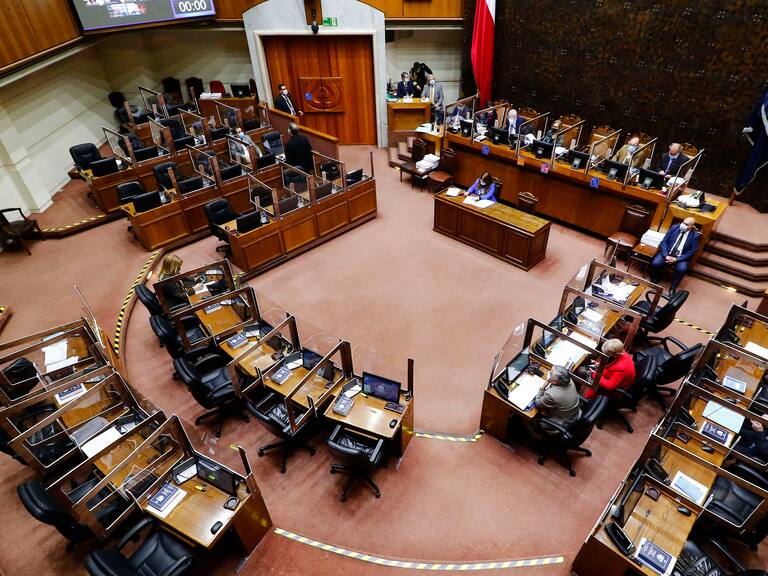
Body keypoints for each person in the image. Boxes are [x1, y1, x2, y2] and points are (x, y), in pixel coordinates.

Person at [649, 217, 700, 293]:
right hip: (668, 252)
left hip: (680, 257)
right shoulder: (674, 227)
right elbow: (664, 241)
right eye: (683, 222)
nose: (683, 225)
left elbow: (692, 251)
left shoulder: (695, 236)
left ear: (691, 226)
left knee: (682, 269)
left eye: (686, 224)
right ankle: (655, 277)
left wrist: (677, 259)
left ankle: (673, 287)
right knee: (655, 263)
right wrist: (666, 255)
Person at [534, 366, 582, 434]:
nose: (549, 373)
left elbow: (537, 403)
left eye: (550, 373)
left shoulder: (552, 395)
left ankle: (535, 435)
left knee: (533, 417)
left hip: (563, 422)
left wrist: (543, 387)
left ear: (554, 381)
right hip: (574, 415)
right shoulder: (569, 381)